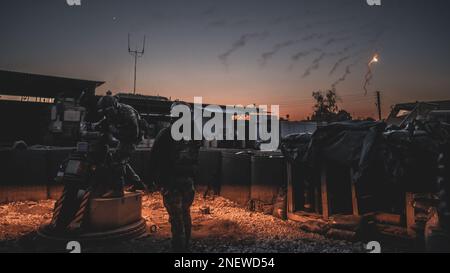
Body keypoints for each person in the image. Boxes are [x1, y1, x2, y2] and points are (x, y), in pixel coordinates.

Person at [150, 101, 199, 252]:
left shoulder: (165, 133)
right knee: (185, 213)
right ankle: (185, 246)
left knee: (176, 220)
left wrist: (156, 181)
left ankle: (178, 250)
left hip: (171, 183)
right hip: (188, 183)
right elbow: (196, 158)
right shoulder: (194, 134)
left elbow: (154, 159)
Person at [96, 92, 147, 198]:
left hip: (133, 138)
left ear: (115, 106)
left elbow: (133, 134)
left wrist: (114, 131)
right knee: (121, 160)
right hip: (123, 137)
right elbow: (104, 122)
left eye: (108, 111)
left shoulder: (127, 112)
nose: (107, 114)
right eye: (104, 112)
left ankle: (117, 190)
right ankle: (138, 183)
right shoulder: (110, 112)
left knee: (117, 161)